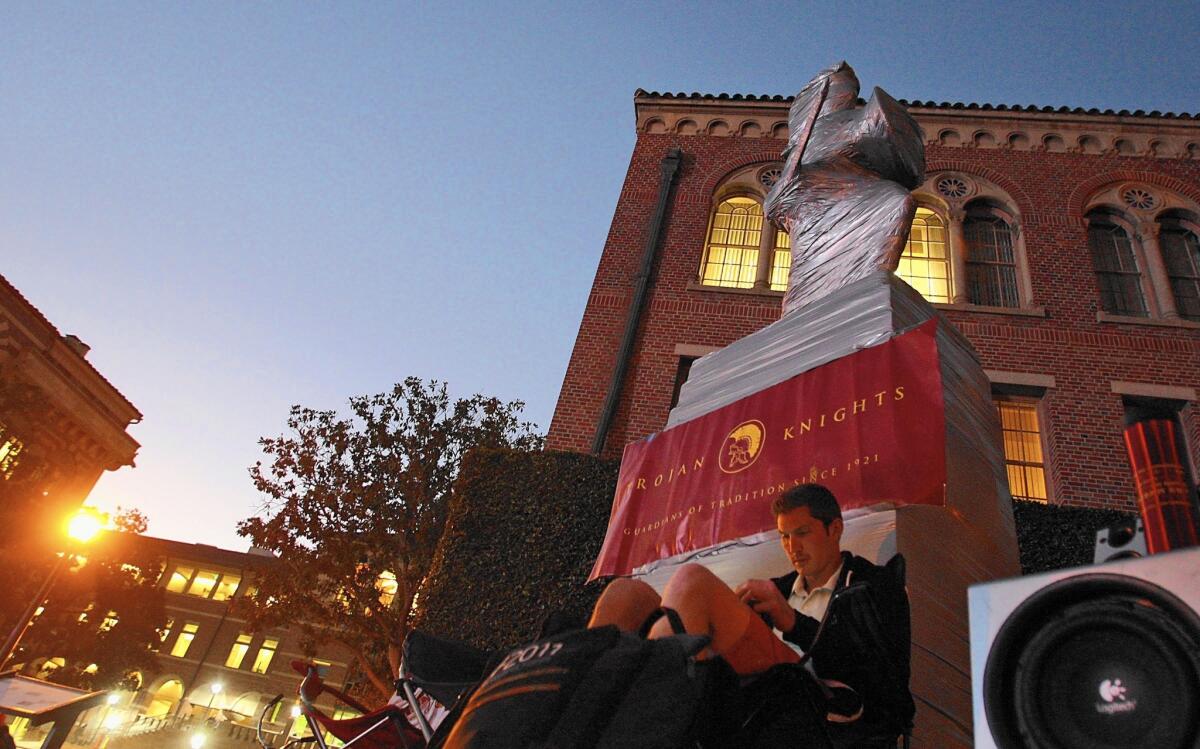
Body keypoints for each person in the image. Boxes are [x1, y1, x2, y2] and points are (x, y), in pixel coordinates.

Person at [589, 483, 914, 746]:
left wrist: (795, 623)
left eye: (802, 533)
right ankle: (579, 721)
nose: (792, 547)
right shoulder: (777, 590)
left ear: (835, 529)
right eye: (785, 537)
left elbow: (885, 682)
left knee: (692, 582)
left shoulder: (874, 585)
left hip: (826, 715)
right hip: (755, 702)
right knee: (626, 594)